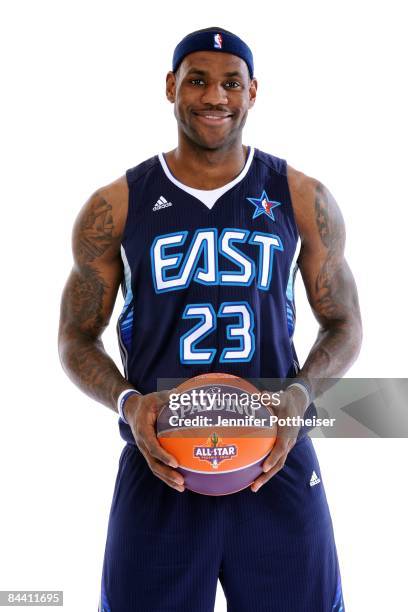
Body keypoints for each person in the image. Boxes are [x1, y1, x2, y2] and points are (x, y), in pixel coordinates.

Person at [58, 26, 362, 612]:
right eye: (197, 80)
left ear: (253, 92)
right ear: (172, 86)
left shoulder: (302, 196)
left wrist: (300, 394)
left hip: (277, 453)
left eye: (231, 83)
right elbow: (74, 337)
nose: (214, 97)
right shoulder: (115, 205)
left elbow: (344, 324)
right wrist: (130, 404)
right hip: (160, 455)